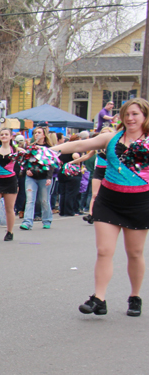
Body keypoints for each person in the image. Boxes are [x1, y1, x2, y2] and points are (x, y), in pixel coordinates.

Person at [52, 97, 149, 317]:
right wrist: (51, 150)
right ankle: (99, 298)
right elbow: (78, 145)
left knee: (134, 253)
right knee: (104, 251)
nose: (130, 118)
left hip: (140, 202)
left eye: (135, 114)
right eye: (126, 114)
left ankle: (135, 297)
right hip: (109, 200)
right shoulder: (111, 138)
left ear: (144, 116)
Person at [21, 126, 55, 231]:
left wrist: (49, 177)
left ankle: (47, 220)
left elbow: (51, 164)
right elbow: (25, 160)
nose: (37, 134)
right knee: (30, 199)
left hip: (44, 176)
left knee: (44, 200)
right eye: (35, 133)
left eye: (39, 132)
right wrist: (26, 169)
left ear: (44, 135)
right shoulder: (31, 147)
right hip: (31, 176)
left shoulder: (48, 148)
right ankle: (27, 222)